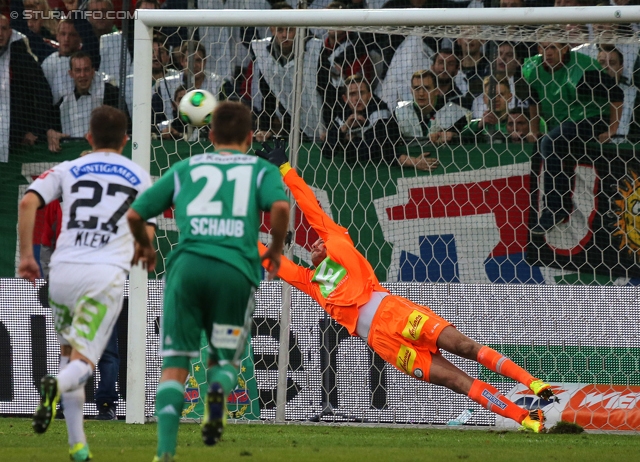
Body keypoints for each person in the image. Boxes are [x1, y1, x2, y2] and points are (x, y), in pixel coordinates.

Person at [256, 143, 557, 433]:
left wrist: (285, 169)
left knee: (466, 347)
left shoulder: (337, 239)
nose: (317, 244)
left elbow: (309, 205)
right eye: (313, 247)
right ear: (309, 257)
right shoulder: (312, 283)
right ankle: (524, 417)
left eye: (320, 241)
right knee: (455, 381)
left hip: (396, 312)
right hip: (384, 342)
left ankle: (533, 383)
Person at [126, 101, 290, 462]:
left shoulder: (186, 167)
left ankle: (165, 453)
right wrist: (276, 250)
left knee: (175, 364)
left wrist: (146, 248)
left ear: (211, 135)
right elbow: (280, 208)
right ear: (250, 137)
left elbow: (136, 213)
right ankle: (217, 393)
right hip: (234, 272)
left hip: (187, 270)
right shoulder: (260, 170)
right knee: (224, 357)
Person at [18, 105, 156, 461]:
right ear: (126, 140)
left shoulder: (68, 167)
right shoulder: (139, 175)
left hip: (62, 273)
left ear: (89, 137)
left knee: (68, 356)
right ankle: (53, 387)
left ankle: (78, 447)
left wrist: (27, 256)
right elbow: (146, 222)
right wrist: (145, 247)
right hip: (103, 275)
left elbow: (28, 203)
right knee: (83, 362)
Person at [523, 38, 623, 233]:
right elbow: (533, 97)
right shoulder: (532, 68)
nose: (548, 52)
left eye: (553, 47)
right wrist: (533, 128)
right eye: (544, 47)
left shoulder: (584, 70)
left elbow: (616, 94)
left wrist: (612, 129)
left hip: (592, 118)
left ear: (565, 48)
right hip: (561, 122)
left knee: (551, 141)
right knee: (548, 141)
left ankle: (555, 208)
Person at [251, 2, 323, 141]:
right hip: (289, 121)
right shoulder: (264, 54)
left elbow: (326, 91)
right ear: (272, 29)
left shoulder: (315, 49)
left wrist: (330, 128)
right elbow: (268, 97)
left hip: (320, 119)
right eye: (280, 30)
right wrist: (265, 128)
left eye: (290, 30)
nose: (285, 35)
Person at [47, 51, 129, 152]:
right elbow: (50, 125)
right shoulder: (62, 98)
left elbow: (124, 124)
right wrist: (50, 132)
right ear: (71, 73)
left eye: (86, 70)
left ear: (93, 71)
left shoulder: (110, 93)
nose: (82, 75)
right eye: (78, 70)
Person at [395, 69, 469, 149]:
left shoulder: (457, 113)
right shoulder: (399, 112)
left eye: (426, 88)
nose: (421, 93)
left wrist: (454, 134)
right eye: (417, 88)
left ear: (437, 91)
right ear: (411, 91)